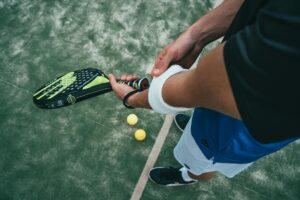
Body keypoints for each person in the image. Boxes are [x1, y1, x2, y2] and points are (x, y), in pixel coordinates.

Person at [108, 0, 300, 186]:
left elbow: (203, 88)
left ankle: (188, 176)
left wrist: (132, 98)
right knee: (202, 121)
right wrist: (195, 37)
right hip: (231, 100)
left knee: (203, 163)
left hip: (235, 134)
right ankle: (196, 128)